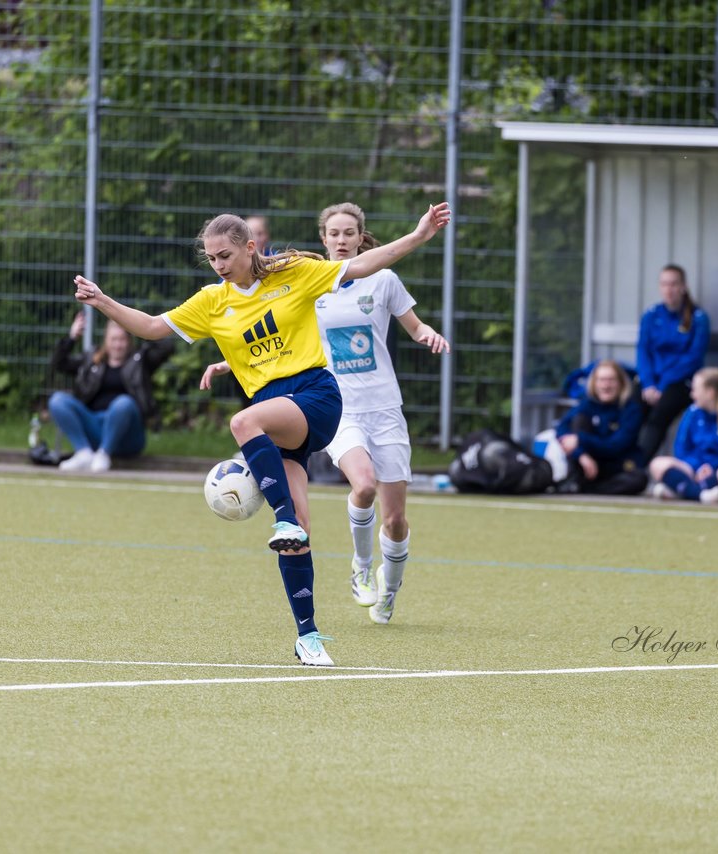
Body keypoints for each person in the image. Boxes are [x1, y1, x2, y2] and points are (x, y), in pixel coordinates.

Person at [73, 203, 451, 666]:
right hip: (277, 413)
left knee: (243, 422)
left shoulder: (296, 272)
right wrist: (102, 301)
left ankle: (283, 517)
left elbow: (366, 264)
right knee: (299, 536)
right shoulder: (213, 302)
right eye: (211, 258)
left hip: (316, 395)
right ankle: (308, 637)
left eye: (225, 255)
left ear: (250, 247)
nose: (219, 265)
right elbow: (152, 327)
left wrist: (417, 235)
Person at [302, 201, 450, 624]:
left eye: (349, 233)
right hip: (340, 408)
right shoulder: (312, 286)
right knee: (362, 485)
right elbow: (283, 336)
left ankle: (390, 590)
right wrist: (229, 362)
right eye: (334, 233)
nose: (342, 240)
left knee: (397, 518)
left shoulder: (384, 281)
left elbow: (415, 326)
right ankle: (362, 568)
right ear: (324, 239)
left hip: (385, 409)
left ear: (360, 237)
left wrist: (429, 335)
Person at [48, 311, 175, 473]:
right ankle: (83, 453)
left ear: (129, 341)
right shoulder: (91, 360)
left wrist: (142, 328)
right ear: (106, 341)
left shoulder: (140, 361)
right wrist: (72, 338)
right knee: (58, 400)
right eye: (114, 339)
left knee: (123, 403)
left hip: (128, 434)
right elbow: (59, 364)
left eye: (122, 339)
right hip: (95, 426)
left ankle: (104, 453)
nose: (118, 345)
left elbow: (168, 347)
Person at [648, 367, 718, 504]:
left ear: (710, 392)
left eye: (695, 390)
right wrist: (698, 468)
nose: (692, 395)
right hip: (696, 471)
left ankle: (684, 490)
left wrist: (712, 469)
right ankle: (701, 494)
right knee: (658, 464)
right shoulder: (692, 413)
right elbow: (681, 451)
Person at [635, 264, 710, 461]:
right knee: (632, 410)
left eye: (674, 284)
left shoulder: (698, 318)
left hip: (680, 382)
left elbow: (693, 358)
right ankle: (618, 465)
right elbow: (643, 351)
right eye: (664, 284)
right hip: (653, 381)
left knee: (658, 415)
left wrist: (662, 385)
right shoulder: (651, 315)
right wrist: (648, 383)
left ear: (683, 287)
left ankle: (638, 465)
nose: (669, 289)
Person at [554, 359, 647, 495]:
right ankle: (581, 482)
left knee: (639, 478)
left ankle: (589, 489)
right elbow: (562, 429)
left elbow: (615, 446)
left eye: (611, 380)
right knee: (579, 420)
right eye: (601, 380)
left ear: (621, 383)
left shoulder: (631, 410)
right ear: (594, 383)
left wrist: (580, 440)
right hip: (588, 464)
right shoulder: (587, 404)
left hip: (617, 466)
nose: (606, 385)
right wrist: (581, 455)